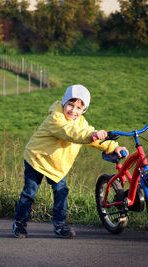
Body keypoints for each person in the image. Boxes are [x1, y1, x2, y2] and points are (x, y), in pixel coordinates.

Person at [12, 84, 128, 238]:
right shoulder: (55, 118)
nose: (73, 111)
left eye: (79, 108)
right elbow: (71, 133)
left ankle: (59, 225)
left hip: (57, 165)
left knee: (61, 192)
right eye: (70, 105)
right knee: (29, 193)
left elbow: (88, 136)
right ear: (63, 103)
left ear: (84, 110)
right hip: (37, 159)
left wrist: (113, 147)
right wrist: (91, 134)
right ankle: (19, 224)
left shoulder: (81, 123)